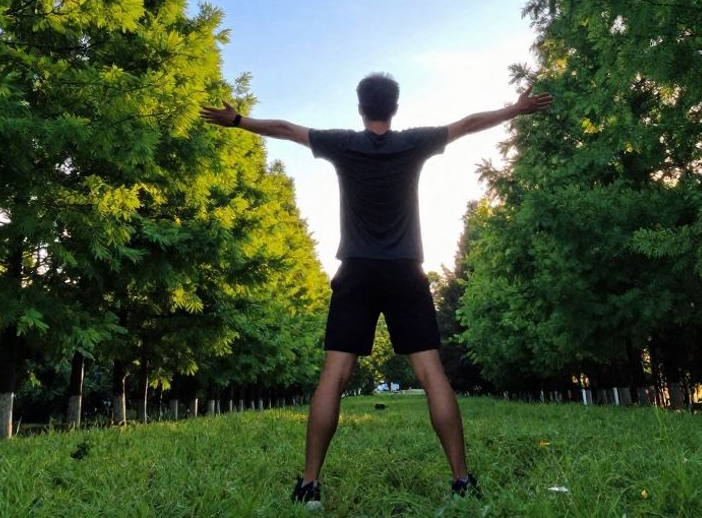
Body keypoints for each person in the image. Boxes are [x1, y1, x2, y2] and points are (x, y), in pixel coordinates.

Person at [201, 73, 552, 507]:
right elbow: (467, 124)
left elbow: (288, 130)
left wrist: (238, 121)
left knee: (335, 373)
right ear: (395, 107)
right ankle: (462, 482)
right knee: (430, 373)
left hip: (357, 271)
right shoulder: (414, 142)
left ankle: (309, 485)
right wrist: (514, 110)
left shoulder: (343, 143)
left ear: (360, 108)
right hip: (406, 270)